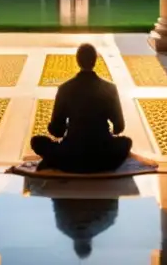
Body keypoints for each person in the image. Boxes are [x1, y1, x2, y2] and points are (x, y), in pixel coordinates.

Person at [30, 43, 132, 173]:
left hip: (71, 155)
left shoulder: (65, 88)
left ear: (77, 60)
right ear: (95, 60)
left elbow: (57, 131)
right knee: (126, 143)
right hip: (102, 155)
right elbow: (119, 127)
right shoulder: (109, 88)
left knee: (37, 141)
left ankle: (59, 161)